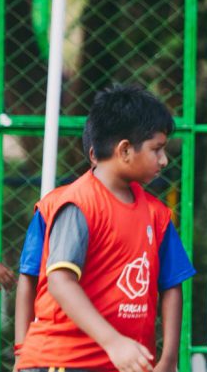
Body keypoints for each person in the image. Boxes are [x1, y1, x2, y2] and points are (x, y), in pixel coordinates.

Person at [17, 85, 196, 372]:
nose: (163, 160)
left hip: (121, 365)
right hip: (63, 362)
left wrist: (169, 359)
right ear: (125, 149)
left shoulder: (158, 214)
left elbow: (172, 284)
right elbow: (60, 282)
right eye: (157, 149)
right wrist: (114, 342)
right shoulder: (78, 203)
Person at [14, 132, 97, 360]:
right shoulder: (52, 206)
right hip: (60, 351)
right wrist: (22, 350)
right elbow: (28, 275)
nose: (162, 159)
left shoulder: (152, 213)